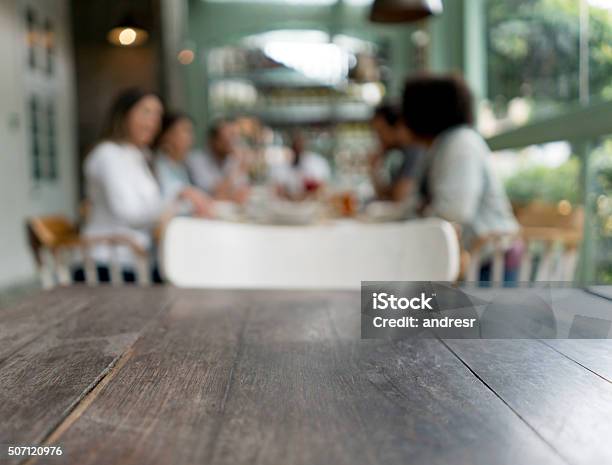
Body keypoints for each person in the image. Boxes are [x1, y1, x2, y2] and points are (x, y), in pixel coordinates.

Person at [79, 89, 207, 283]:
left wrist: (178, 201)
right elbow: (129, 212)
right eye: (146, 112)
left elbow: (153, 207)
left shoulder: (140, 155)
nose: (153, 121)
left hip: (137, 260)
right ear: (124, 114)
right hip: (109, 263)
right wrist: (174, 201)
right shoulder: (108, 154)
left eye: (158, 115)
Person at [401, 74, 520, 281]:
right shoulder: (440, 146)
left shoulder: (461, 144)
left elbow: (454, 211)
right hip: (469, 260)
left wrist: (409, 220)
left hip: (489, 264)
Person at [153, 112, 213, 215]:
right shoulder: (156, 165)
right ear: (167, 135)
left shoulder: (181, 165)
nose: (191, 138)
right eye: (186, 131)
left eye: (191, 132)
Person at [369, 104, 423, 203]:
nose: (378, 138)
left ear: (397, 127)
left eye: (380, 132)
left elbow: (399, 197)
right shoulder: (401, 154)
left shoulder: (415, 150)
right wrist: (374, 170)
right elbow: (384, 196)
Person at [186, 120, 250, 203]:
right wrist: (236, 170)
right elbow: (214, 193)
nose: (231, 143)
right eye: (226, 138)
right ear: (213, 141)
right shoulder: (196, 160)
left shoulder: (230, 160)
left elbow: (243, 190)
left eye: (233, 137)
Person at [270, 131, 331, 199]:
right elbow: (277, 189)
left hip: (310, 202)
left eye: (300, 145)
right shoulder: (282, 165)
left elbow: (322, 186)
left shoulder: (317, 163)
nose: (298, 148)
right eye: (295, 146)